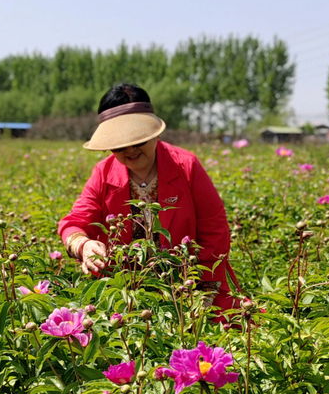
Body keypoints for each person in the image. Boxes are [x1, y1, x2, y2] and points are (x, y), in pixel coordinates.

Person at [58, 83, 239, 314]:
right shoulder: (104, 173)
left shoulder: (186, 166)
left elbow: (214, 230)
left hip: (191, 281)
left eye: (139, 141)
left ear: (155, 134)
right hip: (123, 289)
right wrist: (83, 245)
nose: (131, 150)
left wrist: (201, 287)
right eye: (120, 146)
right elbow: (74, 222)